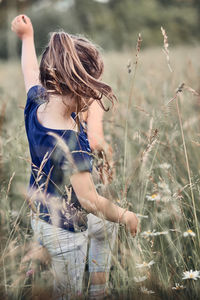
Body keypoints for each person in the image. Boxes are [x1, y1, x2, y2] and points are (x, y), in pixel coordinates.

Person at [11, 15, 138, 299]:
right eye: (92, 91)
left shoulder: (38, 103)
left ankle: (99, 290)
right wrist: (125, 214)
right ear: (78, 87)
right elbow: (90, 201)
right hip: (66, 233)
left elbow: (29, 71)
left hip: (40, 217)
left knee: (105, 226)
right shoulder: (72, 142)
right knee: (67, 292)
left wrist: (27, 37)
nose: (93, 99)